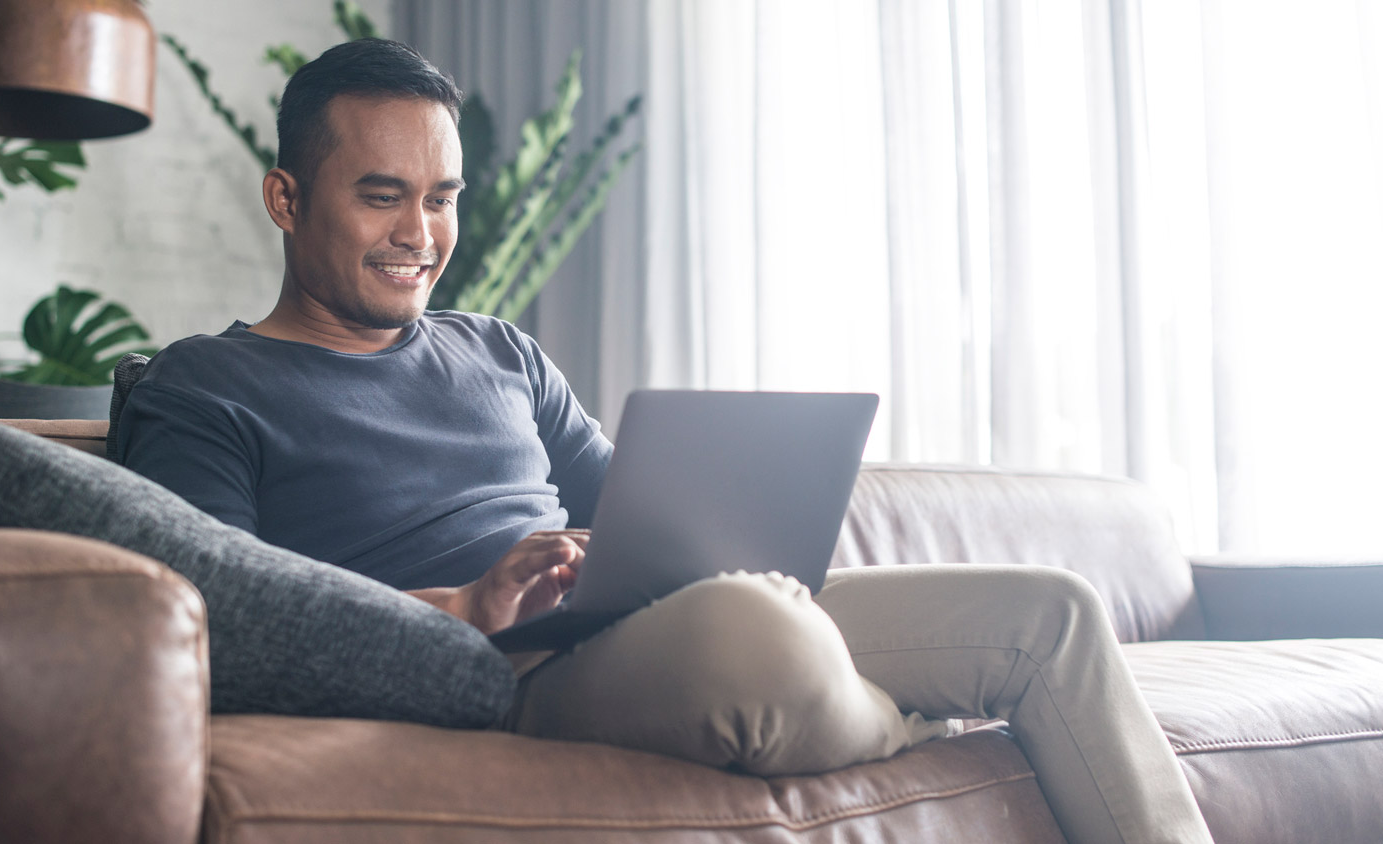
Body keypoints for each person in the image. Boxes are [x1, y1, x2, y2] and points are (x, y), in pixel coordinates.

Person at [118, 38, 1213, 844]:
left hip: (651, 626)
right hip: (507, 671)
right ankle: (909, 720)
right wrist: (464, 606)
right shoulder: (205, 387)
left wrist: (673, 539)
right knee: (760, 636)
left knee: (1048, 611)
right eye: (381, 196)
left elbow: (644, 516)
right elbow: (222, 622)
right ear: (285, 196)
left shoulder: (501, 352)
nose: (421, 235)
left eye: (443, 198)